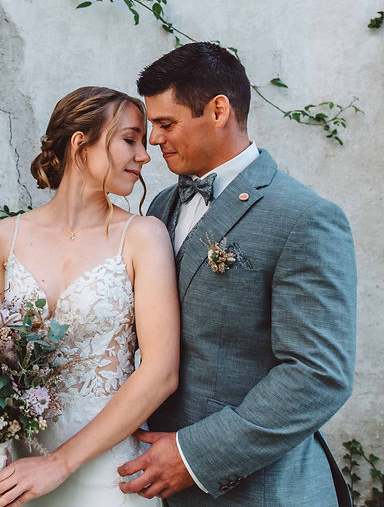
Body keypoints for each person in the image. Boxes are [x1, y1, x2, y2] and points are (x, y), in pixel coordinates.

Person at [118, 42, 357, 505]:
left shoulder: (304, 217)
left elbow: (317, 374)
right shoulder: (162, 207)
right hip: (157, 485)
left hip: (261, 489)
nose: (152, 140)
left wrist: (193, 455)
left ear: (218, 110)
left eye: (166, 124)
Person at [0, 86, 180, 506]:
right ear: (79, 144)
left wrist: (59, 464)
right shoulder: (5, 237)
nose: (144, 155)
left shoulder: (143, 237)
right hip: (16, 467)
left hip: (106, 473)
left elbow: (161, 372)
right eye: (130, 139)